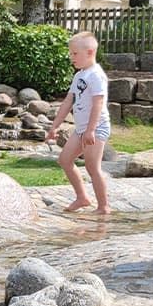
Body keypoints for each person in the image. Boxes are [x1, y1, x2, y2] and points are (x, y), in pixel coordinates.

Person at [45, 31, 110, 215]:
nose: (71, 57)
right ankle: (82, 197)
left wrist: (91, 130)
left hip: (96, 127)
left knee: (92, 166)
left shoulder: (96, 75)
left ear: (89, 52)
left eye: (74, 53)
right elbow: (68, 101)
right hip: (81, 128)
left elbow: (98, 103)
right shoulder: (80, 75)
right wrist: (54, 126)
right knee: (64, 160)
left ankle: (104, 206)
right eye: (70, 53)